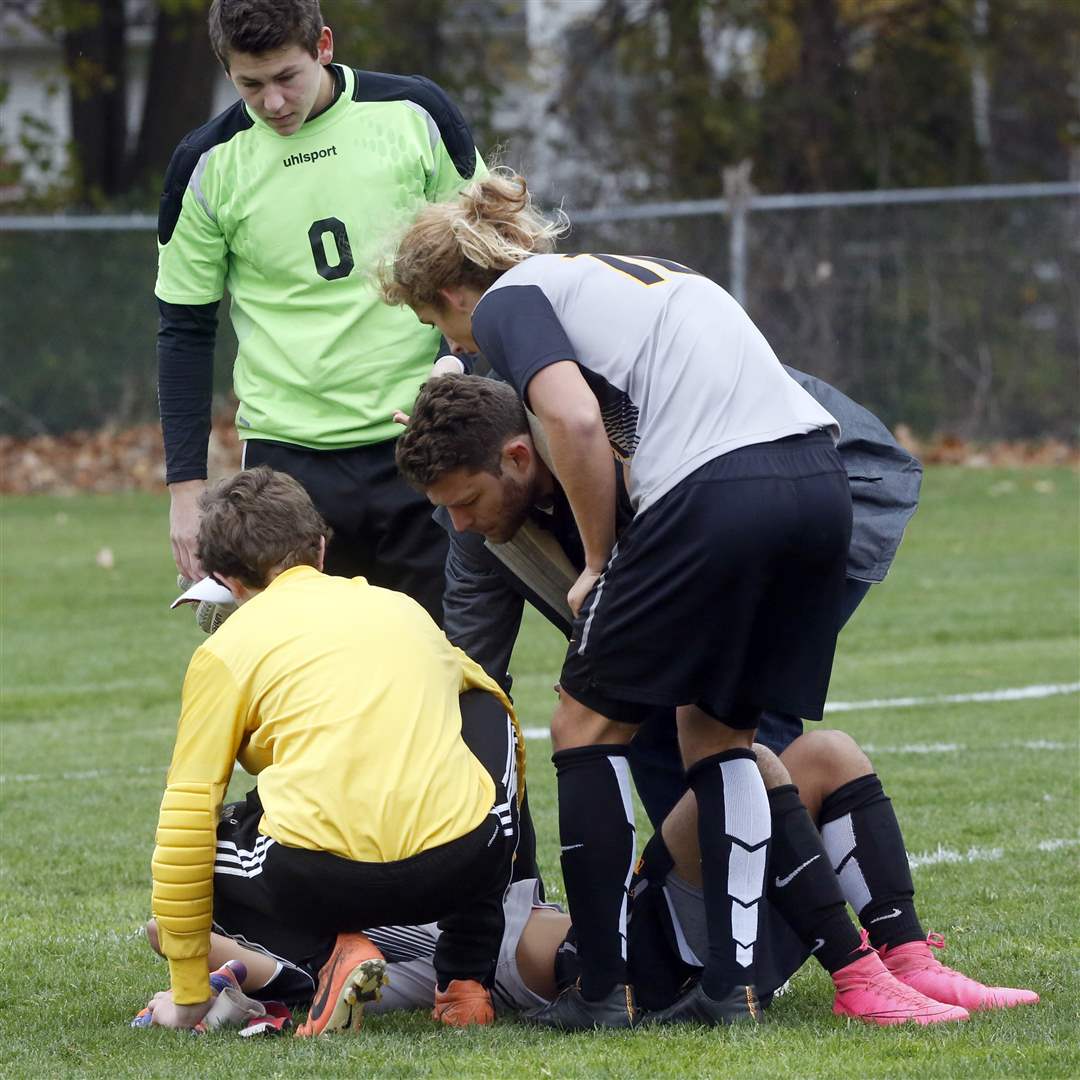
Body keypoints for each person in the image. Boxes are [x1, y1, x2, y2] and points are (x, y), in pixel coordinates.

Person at [382, 173, 854, 1026]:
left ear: (454, 292)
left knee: (581, 726)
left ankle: (604, 986)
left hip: (719, 490)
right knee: (719, 733)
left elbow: (573, 421)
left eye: (438, 323)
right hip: (820, 479)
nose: (459, 345)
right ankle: (731, 986)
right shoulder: (622, 273)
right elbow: (631, 413)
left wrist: (600, 559)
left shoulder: (509, 301)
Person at [150, 731, 1036, 1027]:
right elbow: (184, 942)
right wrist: (187, 932)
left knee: (820, 756)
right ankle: (861, 978)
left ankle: (902, 957)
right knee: (757, 763)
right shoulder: (347, 956)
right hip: (624, 970)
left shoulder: (409, 860)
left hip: (664, 942)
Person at [395, 372, 920, 827]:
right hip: (710, 531)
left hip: (830, 484)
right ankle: (705, 892)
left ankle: (809, 905)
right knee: (630, 698)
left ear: (518, 456)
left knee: (730, 706)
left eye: (468, 502)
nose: (459, 524)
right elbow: (473, 675)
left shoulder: (622, 434)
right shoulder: (471, 527)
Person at [142, 466, 521, 1032]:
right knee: (486, 708)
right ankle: (465, 979)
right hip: (461, 863)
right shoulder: (402, 609)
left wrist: (188, 991)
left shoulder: (225, 651)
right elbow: (492, 707)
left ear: (225, 579)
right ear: (320, 548)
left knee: (211, 840)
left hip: (321, 880)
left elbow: (185, 818)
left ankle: (330, 955)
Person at [156, 0, 487, 623]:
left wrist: (462, 379)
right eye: (250, 84)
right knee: (303, 683)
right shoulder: (205, 164)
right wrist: (186, 492)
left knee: (453, 669)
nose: (273, 102)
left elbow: (485, 258)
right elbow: (184, 330)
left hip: (420, 439)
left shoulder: (414, 113)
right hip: (289, 462)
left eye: (287, 78)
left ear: (324, 46)